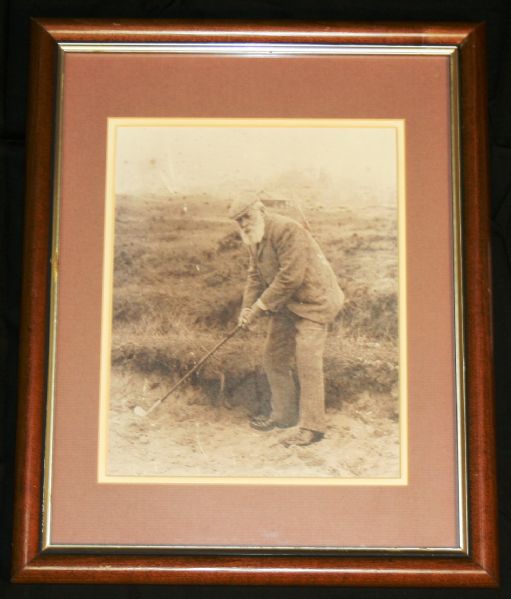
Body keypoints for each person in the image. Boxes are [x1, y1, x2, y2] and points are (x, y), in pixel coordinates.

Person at [229, 196, 344, 447]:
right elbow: (254, 277)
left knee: (307, 359)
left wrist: (258, 308)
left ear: (261, 210)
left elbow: (290, 277)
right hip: (287, 304)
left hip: (315, 301)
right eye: (239, 221)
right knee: (274, 356)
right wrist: (246, 308)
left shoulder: (287, 229)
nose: (243, 224)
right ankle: (284, 416)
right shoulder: (254, 237)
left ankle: (313, 427)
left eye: (246, 216)